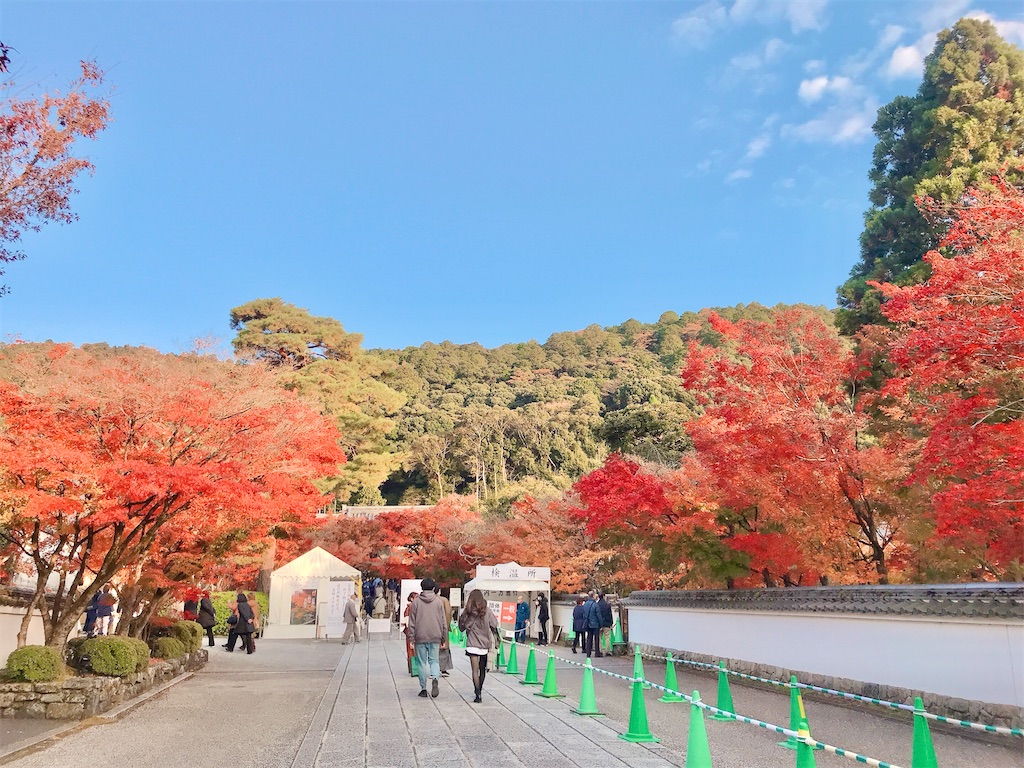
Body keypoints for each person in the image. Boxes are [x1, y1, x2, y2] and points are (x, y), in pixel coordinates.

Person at [458, 589, 499, 703]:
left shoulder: (467, 612)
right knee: (482, 670)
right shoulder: (487, 611)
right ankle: (479, 690)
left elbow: (461, 627)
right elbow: (494, 625)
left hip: (472, 644)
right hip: (484, 644)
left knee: (474, 671)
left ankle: (477, 695)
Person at [407, 577, 446, 698]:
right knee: (434, 660)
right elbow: (443, 621)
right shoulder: (438, 602)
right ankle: (435, 678)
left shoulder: (416, 603)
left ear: (422, 588)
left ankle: (423, 688)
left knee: (422, 663)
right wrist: (444, 637)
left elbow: (412, 622)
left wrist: (411, 638)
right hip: (435, 635)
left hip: (420, 636)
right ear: (434, 588)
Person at [434, 584, 453, 677]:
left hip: (433, 628)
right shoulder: (444, 600)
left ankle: (434, 669)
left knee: (433, 650)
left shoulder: (431, 600)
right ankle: (444, 669)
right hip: (443, 627)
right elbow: (448, 613)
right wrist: (447, 625)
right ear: (439, 591)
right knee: (444, 649)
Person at [583, 591, 602, 658]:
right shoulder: (595, 604)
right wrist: (601, 624)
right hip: (595, 624)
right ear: (593, 596)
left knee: (589, 638)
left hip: (588, 624)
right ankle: (597, 652)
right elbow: (598, 615)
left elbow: (584, 614)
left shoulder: (585, 604)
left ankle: (588, 652)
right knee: (596, 639)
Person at [403, 591, 418, 674]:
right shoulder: (411, 607)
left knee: (412, 649)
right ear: (411, 599)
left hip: (411, 630)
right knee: (412, 649)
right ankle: (414, 667)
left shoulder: (410, 607)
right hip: (412, 630)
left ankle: (412, 667)